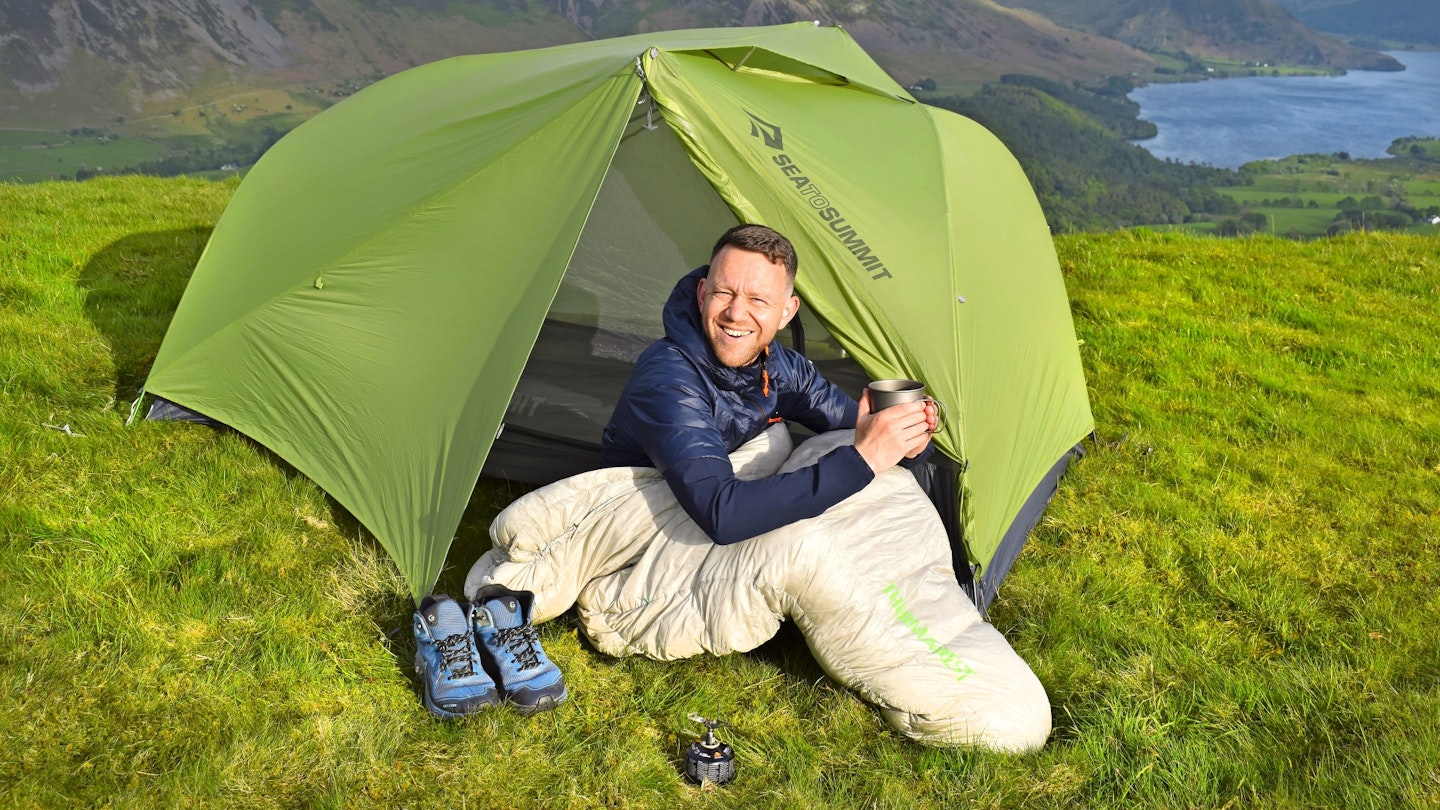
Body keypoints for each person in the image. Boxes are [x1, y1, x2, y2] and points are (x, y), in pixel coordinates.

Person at [601, 223, 936, 545]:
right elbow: (723, 514)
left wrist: (909, 443)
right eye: (724, 292)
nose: (735, 313)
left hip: (707, 516)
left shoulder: (782, 369)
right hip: (644, 528)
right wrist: (864, 459)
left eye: (758, 300)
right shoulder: (668, 379)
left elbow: (855, 426)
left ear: (787, 312)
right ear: (702, 295)